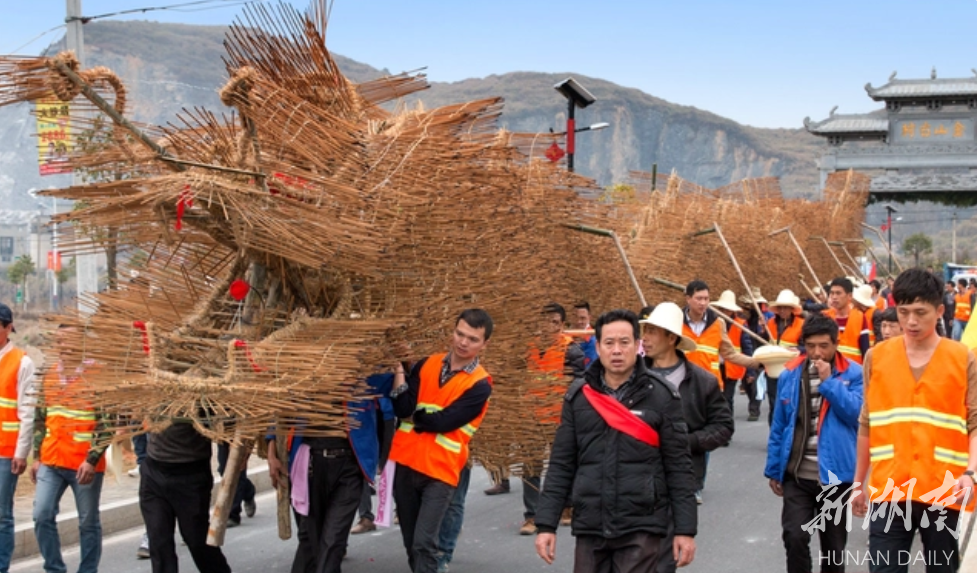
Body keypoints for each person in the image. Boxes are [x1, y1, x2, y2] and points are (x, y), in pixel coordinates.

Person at [534, 309, 697, 573]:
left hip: (641, 523)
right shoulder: (578, 397)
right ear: (598, 347)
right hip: (590, 522)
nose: (617, 350)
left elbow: (679, 467)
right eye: (609, 343)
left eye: (624, 342)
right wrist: (546, 525)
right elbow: (562, 464)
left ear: (638, 345)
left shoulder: (663, 397)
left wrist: (685, 530)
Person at [853, 269, 977, 573]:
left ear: (939, 311)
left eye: (920, 313)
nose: (910, 321)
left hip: (942, 489)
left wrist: (971, 473)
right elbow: (867, 422)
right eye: (903, 312)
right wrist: (858, 483)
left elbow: (974, 422)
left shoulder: (963, 358)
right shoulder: (876, 357)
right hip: (889, 489)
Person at [389, 309, 494, 573]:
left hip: (440, 471)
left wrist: (418, 417)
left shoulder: (480, 384)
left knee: (424, 542)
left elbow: (445, 421)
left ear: (484, 344)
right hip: (406, 463)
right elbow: (402, 407)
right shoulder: (427, 364)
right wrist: (401, 371)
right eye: (460, 333)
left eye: (472, 338)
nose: (463, 342)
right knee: (411, 541)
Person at [764, 314, 863, 573]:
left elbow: (857, 415)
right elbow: (780, 425)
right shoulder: (790, 374)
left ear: (836, 343)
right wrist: (774, 469)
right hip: (798, 474)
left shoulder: (854, 374)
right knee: (794, 536)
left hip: (836, 477)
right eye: (811, 346)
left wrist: (829, 382)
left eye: (824, 346)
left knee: (833, 548)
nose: (817, 352)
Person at [267, 371, 393, 573]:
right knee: (311, 540)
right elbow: (280, 406)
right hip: (309, 465)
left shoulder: (368, 366)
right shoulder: (303, 365)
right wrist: (272, 452)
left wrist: (399, 364)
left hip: (349, 467)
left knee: (333, 541)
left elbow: (396, 396)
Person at [640, 301, 733, 510]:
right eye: (645, 331)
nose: (644, 338)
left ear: (671, 338)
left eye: (652, 332)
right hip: (638, 479)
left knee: (677, 538)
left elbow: (724, 426)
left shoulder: (702, 382)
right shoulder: (634, 378)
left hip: (683, 478)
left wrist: (688, 441)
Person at [31, 350, 110, 573]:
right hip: (51, 459)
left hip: (83, 465)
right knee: (41, 515)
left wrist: (92, 460)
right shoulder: (50, 375)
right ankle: (54, 568)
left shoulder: (97, 375)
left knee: (88, 522)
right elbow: (40, 417)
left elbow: (107, 425)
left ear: (81, 343)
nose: (63, 346)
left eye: (67, 340)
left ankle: (87, 570)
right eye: (59, 341)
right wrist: (37, 456)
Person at [520, 303, 585, 535]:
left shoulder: (571, 350)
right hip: (532, 417)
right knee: (530, 466)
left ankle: (567, 507)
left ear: (562, 325)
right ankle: (532, 515)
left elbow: (578, 384)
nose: (549, 326)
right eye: (545, 321)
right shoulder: (527, 349)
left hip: (558, 417)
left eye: (555, 322)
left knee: (563, 463)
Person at [140, 420, 232, 573]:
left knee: (197, 540)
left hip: (191, 473)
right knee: (158, 541)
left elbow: (224, 421)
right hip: (154, 471)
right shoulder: (152, 397)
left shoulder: (202, 398)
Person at [0, 303, 35, 573]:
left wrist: (22, 452)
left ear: (8, 327)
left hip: (5, 453)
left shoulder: (22, 361)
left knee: (1, 516)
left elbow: (27, 410)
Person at [681, 280, 756, 389]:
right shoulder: (676, 322)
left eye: (706, 299)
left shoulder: (718, 324)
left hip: (711, 387)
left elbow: (730, 354)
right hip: (684, 386)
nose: (703, 303)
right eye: (699, 298)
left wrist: (757, 363)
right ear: (688, 299)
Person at [765, 290, 806, 426]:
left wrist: (799, 349)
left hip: (791, 370)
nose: (782, 310)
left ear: (792, 309)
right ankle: (774, 436)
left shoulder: (801, 324)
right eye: (780, 307)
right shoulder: (770, 323)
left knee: (789, 402)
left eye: (785, 307)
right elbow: (764, 344)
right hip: (772, 369)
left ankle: (787, 435)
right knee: (773, 404)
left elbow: (806, 346)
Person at [711, 290, 753, 417]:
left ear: (732, 311)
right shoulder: (713, 323)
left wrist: (750, 371)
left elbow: (747, 348)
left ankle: (726, 425)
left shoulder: (740, 324)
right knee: (715, 398)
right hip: (715, 366)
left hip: (733, 366)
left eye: (727, 309)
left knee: (727, 398)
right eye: (722, 309)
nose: (724, 312)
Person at [824, 277, 870, 364]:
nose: (834, 297)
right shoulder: (825, 316)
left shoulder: (859, 317)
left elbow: (865, 350)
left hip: (854, 372)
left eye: (838, 293)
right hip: (830, 370)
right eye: (832, 293)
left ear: (849, 296)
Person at [216, 443, 256, 528]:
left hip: (241, 436)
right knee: (224, 470)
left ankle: (233, 514)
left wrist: (246, 454)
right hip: (224, 435)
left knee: (238, 471)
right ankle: (248, 492)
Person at [571, 301, 598, 367]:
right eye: (576, 318)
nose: (578, 322)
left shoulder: (593, 341)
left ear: (589, 318)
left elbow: (588, 367)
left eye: (582, 318)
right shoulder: (569, 336)